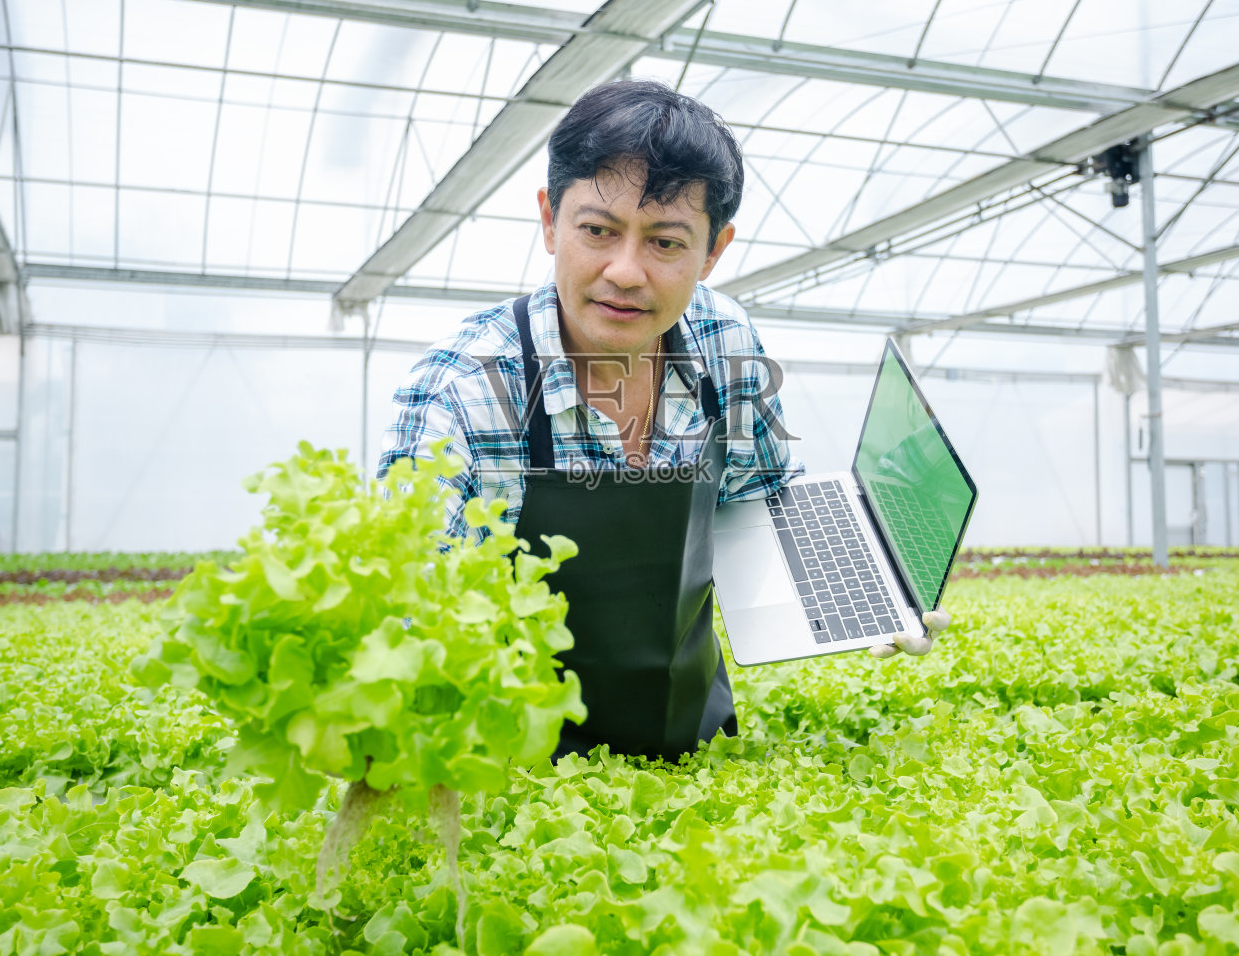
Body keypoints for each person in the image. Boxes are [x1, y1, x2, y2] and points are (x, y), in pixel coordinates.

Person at [379, 78, 950, 760]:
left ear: (713, 251)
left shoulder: (724, 340)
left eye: (666, 243)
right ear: (548, 220)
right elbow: (412, 608)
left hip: (695, 742)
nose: (624, 271)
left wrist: (867, 588)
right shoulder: (466, 385)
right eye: (597, 230)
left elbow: (760, 508)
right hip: (513, 767)